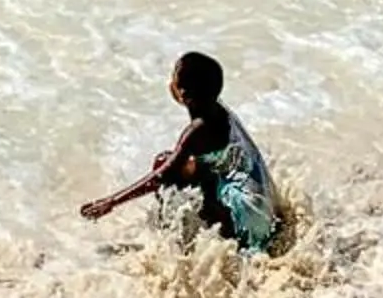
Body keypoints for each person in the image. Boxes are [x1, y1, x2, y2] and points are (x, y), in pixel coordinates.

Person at [80, 51, 280, 252]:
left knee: (163, 163)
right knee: (193, 169)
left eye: (174, 76)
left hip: (246, 223)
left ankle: (174, 246)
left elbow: (162, 174)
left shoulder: (198, 129)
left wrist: (111, 202)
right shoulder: (218, 111)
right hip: (264, 207)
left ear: (183, 94)